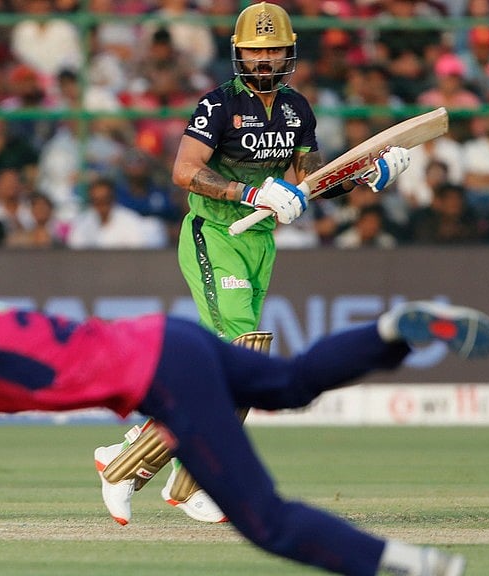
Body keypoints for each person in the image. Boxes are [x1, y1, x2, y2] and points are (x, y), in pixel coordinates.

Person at [0, 247, 489, 576]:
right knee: (291, 383)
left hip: (161, 371)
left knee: (267, 523)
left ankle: (410, 568)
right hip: (166, 343)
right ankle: (393, 330)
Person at [92, 1, 413, 525]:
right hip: (215, 233)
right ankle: (128, 466)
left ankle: (178, 477)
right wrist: (248, 192)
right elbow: (184, 170)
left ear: (289, 53)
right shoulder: (218, 105)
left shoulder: (297, 109)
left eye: (273, 51)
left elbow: (311, 181)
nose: (264, 60)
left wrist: (365, 176)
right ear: (239, 53)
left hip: (259, 241)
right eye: (255, 51)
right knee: (247, 353)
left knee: (228, 368)